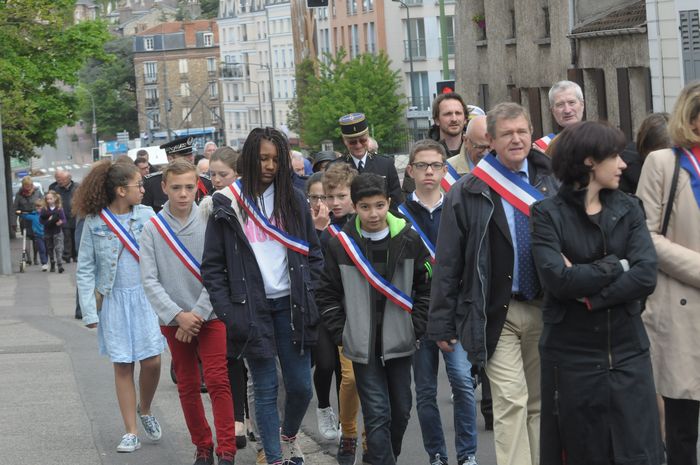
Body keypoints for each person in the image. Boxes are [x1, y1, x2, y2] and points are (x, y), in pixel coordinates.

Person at [428, 102, 558, 465]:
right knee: (510, 401)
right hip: (494, 311)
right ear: (491, 140)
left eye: (522, 132)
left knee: (539, 403)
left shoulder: (551, 181)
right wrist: (441, 320)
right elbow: (449, 260)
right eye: (507, 134)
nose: (516, 139)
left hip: (545, 306)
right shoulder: (468, 191)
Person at [530, 121, 662, 465]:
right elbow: (557, 280)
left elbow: (646, 274)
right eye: (614, 156)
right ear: (589, 161)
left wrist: (590, 293)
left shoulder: (630, 208)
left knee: (639, 453)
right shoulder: (546, 215)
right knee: (582, 452)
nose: (623, 164)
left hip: (629, 353)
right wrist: (617, 266)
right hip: (571, 360)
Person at [202, 127, 323, 465]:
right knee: (266, 388)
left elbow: (313, 253)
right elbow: (212, 266)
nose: (269, 166)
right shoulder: (226, 202)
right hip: (250, 308)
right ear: (250, 160)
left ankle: (288, 435)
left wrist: (308, 289)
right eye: (263, 159)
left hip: (292, 305)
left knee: (301, 386)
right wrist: (228, 311)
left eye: (276, 159)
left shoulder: (294, 198)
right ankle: (274, 458)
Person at [318, 173, 432, 465]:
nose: (373, 214)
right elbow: (327, 293)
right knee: (377, 411)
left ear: (389, 203)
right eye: (365, 206)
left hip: (400, 339)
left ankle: (379, 458)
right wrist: (342, 332)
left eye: (380, 205)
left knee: (402, 409)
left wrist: (415, 326)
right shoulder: (341, 244)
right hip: (362, 343)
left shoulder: (408, 238)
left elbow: (426, 286)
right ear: (355, 206)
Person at [140, 159, 236, 465]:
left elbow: (219, 271)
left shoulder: (210, 221)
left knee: (219, 380)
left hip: (210, 316)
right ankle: (203, 445)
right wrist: (177, 315)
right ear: (164, 187)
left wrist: (196, 313)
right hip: (174, 321)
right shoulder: (152, 228)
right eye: (176, 187)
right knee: (188, 383)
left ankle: (227, 449)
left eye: (189, 187)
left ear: (198, 187)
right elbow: (149, 279)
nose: (183, 194)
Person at [73, 160, 165, 453]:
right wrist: (89, 310)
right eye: (139, 184)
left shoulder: (149, 215)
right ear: (121, 190)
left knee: (152, 361)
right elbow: (85, 267)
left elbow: (166, 254)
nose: (143, 188)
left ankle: (145, 408)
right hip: (113, 299)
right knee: (123, 365)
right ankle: (130, 431)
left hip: (146, 298)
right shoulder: (95, 221)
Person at [400, 140, 479, 465]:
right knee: (426, 391)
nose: (429, 171)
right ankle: (436, 454)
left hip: (454, 311)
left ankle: (468, 454)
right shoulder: (399, 215)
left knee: (462, 382)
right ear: (411, 171)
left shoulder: (457, 207)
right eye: (422, 165)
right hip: (418, 314)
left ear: (445, 170)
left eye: (435, 165)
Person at [636, 80, 700, 465]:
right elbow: (645, 235)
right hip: (680, 308)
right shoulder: (663, 163)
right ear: (692, 120)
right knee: (681, 426)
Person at [202, 145, 251, 450]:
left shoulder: (251, 205)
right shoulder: (206, 208)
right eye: (212, 175)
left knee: (260, 361)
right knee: (232, 358)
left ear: (238, 175)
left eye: (223, 174)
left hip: (254, 288)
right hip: (228, 290)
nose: (217, 180)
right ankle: (238, 419)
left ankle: (263, 419)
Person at [317, 163, 364, 464]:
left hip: (364, 312)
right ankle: (348, 432)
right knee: (346, 377)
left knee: (361, 379)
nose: (334, 203)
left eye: (341, 196)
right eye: (329, 196)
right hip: (334, 312)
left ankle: (369, 436)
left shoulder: (365, 222)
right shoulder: (323, 229)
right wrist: (321, 233)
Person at [332, 113, 403, 207]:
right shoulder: (335, 167)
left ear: (368, 137)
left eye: (362, 140)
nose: (358, 145)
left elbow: (396, 200)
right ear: (345, 141)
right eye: (352, 142)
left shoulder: (386, 164)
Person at [142, 137, 213, 213]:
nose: (191, 158)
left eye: (191, 154)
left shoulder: (205, 182)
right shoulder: (151, 183)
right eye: (185, 156)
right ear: (170, 159)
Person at [533, 80, 585, 153]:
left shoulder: (598, 138)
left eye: (571, 102)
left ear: (582, 104)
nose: (567, 110)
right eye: (560, 105)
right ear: (552, 110)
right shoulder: (542, 146)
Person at [49, 169, 80, 263]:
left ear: (68, 179)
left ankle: (76, 255)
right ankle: (66, 255)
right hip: (63, 215)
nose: (59, 182)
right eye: (58, 180)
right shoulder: (56, 188)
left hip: (75, 215)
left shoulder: (77, 187)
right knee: (66, 236)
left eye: (62, 180)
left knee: (76, 236)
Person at [12, 176, 42, 264]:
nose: (28, 188)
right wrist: (14, 222)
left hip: (36, 218)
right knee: (26, 238)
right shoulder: (19, 195)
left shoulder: (37, 192)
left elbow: (43, 204)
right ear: (23, 186)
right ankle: (29, 258)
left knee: (36, 238)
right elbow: (15, 208)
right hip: (24, 218)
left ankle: (36, 257)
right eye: (26, 186)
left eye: (29, 185)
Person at [40, 190, 67, 273]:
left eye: (50, 199)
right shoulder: (44, 209)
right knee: (50, 248)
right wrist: (48, 221)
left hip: (57, 231)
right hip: (48, 232)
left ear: (55, 199)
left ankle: (60, 265)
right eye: (47, 199)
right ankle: (52, 262)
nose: (49, 200)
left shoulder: (59, 209)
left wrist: (61, 222)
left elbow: (64, 219)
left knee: (58, 248)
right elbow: (41, 220)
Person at [19, 199, 48, 270]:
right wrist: (20, 212)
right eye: (37, 207)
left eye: (40, 206)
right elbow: (24, 216)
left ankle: (46, 262)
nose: (38, 208)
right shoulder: (33, 215)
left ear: (44, 207)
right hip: (38, 235)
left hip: (47, 235)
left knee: (47, 250)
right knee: (42, 249)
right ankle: (44, 263)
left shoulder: (47, 215)